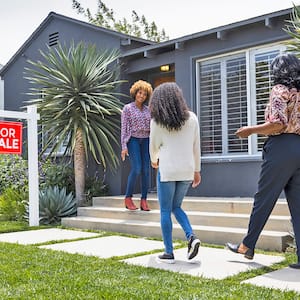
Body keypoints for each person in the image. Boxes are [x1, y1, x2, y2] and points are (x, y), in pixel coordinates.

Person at [226, 53, 300, 269]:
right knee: (298, 206)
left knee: (264, 199)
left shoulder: (279, 90)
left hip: (281, 149)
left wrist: (249, 131)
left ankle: (247, 245)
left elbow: (277, 124)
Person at [149, 82, 201, 264]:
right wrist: (197, 170)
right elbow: (196, 147)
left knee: (165, 209)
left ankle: (169, 252)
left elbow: (153, 147)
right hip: (186, 169)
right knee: (176, 207)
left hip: (168, 171)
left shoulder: (157, 122)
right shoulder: (192, 118)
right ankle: (191, 236)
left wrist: (154, 161)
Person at [121, 80, 153, 211]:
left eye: (145, 94)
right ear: (135, 93)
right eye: (140, 93)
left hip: (146, 140)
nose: (142, 96)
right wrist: (124, 146)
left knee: (146, 170)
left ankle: (144, 200)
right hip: (133, 139)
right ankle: (128, 198)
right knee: (137, 168)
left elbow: (153, 127)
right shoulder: (127, 108)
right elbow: (124, 128)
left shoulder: (148, 110)